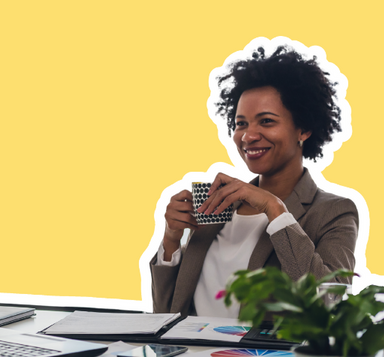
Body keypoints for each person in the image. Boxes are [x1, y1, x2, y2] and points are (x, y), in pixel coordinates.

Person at [150, 45, 358, 318]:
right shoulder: (218, 205)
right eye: (241, 124)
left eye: (266, 121)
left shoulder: (333, 212)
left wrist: (275, 209)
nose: (248, 136)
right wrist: (171, 241)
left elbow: (328, 307)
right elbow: (167, 316)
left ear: (304, 129)